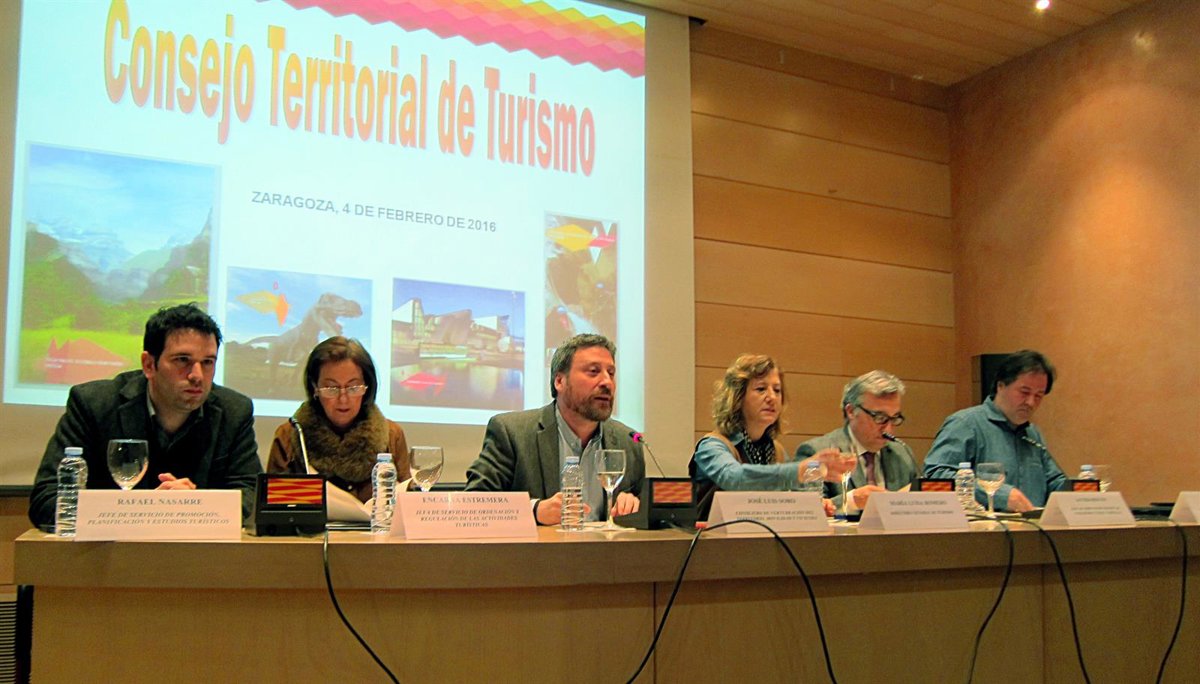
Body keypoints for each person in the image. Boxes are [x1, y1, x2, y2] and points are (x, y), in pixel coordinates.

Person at [29, 303, 261, 526]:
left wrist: (193, 506)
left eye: (208, 362)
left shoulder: (234, 411)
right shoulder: (94, 405)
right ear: (149, 365)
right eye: (183, 360)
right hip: (112, 550)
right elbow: (48, 500)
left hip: (201, 551)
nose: (197, 375)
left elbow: (253, 498)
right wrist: (147, 510)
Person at [464, 333, 645, 525]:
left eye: (611, 373)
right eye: (593, 371)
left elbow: (645, 514)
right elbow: (474, 504)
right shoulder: (512, 433)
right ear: (559, 381)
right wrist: (534, 510)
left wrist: (634, 505)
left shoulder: (628, 441)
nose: (607, 382)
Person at [689, 354, 842, 519]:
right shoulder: (712, 446)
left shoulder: (776, 450)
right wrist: (799, 470)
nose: (772, 398)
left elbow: (792, 497)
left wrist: (814, 504)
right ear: (737, 398)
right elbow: (735, 478)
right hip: (711, 535)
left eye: (777, 390)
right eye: (761, 389)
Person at [923, 349, 1067, 512]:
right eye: (1024, 392)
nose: (1031, 402)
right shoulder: (966, 424)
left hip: (1031, 526)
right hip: (981, 526)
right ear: (1000, 386)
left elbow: (1054, 482)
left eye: (1039, 395)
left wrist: (1082, 492)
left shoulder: (1032, 433)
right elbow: (935, 476)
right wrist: (999, 495)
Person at [268, 336, 409, 503]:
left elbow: (407, 505)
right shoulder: (289, 436)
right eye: (331, 388)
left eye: (353, 387)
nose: (343, 399)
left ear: (367, 387)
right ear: (315, 387)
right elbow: (274, 507)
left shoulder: (392, 435)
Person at [795, 370, 917, 514]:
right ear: (851, 411)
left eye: (895, 418)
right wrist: (851, 501)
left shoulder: (902, 454)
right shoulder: (816, 453)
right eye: (879, 417)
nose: (888, 429)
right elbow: (806, 511)